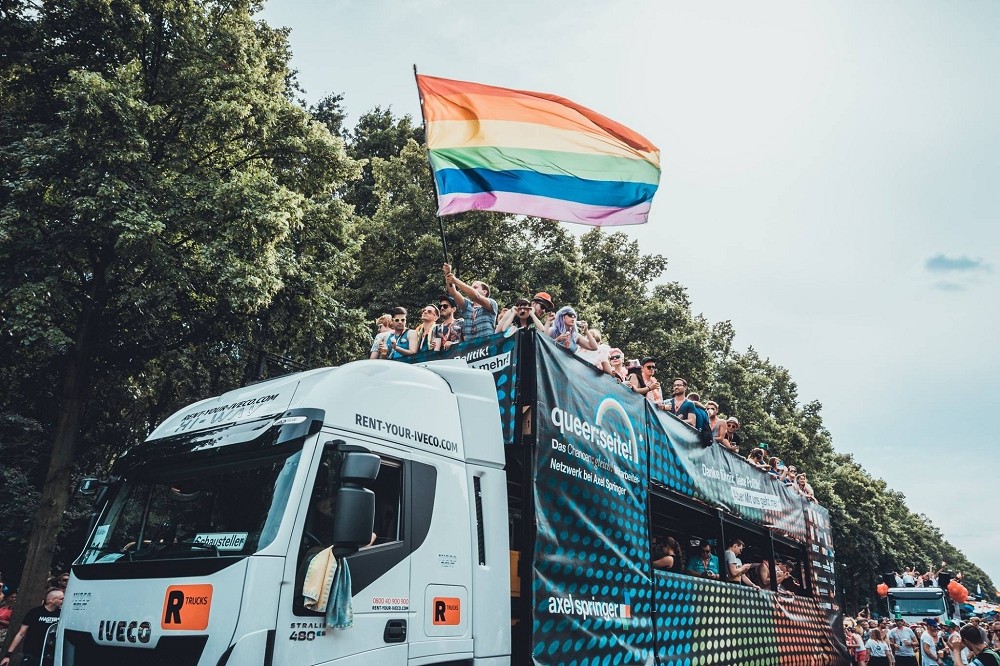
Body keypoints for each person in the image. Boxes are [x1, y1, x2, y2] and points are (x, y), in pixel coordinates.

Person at [1, 588, 63, 666]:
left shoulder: (61, 614)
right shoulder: (35, 612)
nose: (63, 601)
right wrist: (8, 655)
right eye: (61, 599)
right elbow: (21, 633)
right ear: (52, 600)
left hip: (50, 655)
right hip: (32, 654)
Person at [443, 263, 498, 341]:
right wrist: (448, 274)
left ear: (484, 291)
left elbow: (476, 296)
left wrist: (455, 281)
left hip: (486, 347)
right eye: (471, 287)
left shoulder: (492, 304)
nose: (471, 289)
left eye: (475, 287)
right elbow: (453, 293)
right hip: (469, 350)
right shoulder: (467, 306)